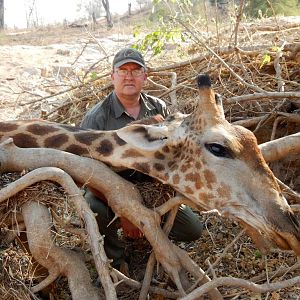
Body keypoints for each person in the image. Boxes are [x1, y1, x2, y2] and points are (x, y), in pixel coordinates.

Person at [81, 48, 203, 272]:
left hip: (152, 186)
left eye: (136, 71)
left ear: (145, 77)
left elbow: (173, 155)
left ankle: (154, 242)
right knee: (93, 207)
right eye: (123, 70)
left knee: (193, 230)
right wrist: (127, 211)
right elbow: (88, 174)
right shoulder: (96, 117)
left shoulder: (159, 108)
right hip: (109, 188)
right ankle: (116, 263)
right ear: (113, 76)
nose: (129, 76)